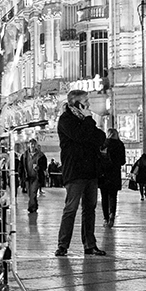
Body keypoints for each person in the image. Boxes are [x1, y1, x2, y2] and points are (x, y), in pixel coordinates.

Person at [54, 89, 107, 257]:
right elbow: (81, 136)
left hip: (91, 171)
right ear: (76, 103)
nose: (89, 104)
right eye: (86, 101)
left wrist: (89, 125)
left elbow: (101, 137)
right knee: (71, 208)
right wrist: (89, 120)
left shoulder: (85, 121)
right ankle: (63, 245)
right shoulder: (66, 120)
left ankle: (90, 244)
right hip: (75, 171)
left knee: (90, 209)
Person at [98, 128, 126, 228]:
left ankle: (105, 218)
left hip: (104, 174)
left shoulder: (103, 144)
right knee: (113, 196)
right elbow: (123, 161)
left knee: (104, 197)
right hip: (114, 174)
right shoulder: (120, 144)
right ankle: (112, 214)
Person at [21, 138, 47, 213]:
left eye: (33, 144)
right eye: (31, 144)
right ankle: (35, 206)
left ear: (36, 145)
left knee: (33, 192)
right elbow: (21, 166)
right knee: (30, 193)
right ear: (28, 145)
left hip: (36, 177)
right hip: (27, 177)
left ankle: (31, 208)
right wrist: (21, 176)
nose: (32, 145)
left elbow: (44, 166)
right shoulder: (24, 155)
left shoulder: (41, 155)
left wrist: (39, 167)